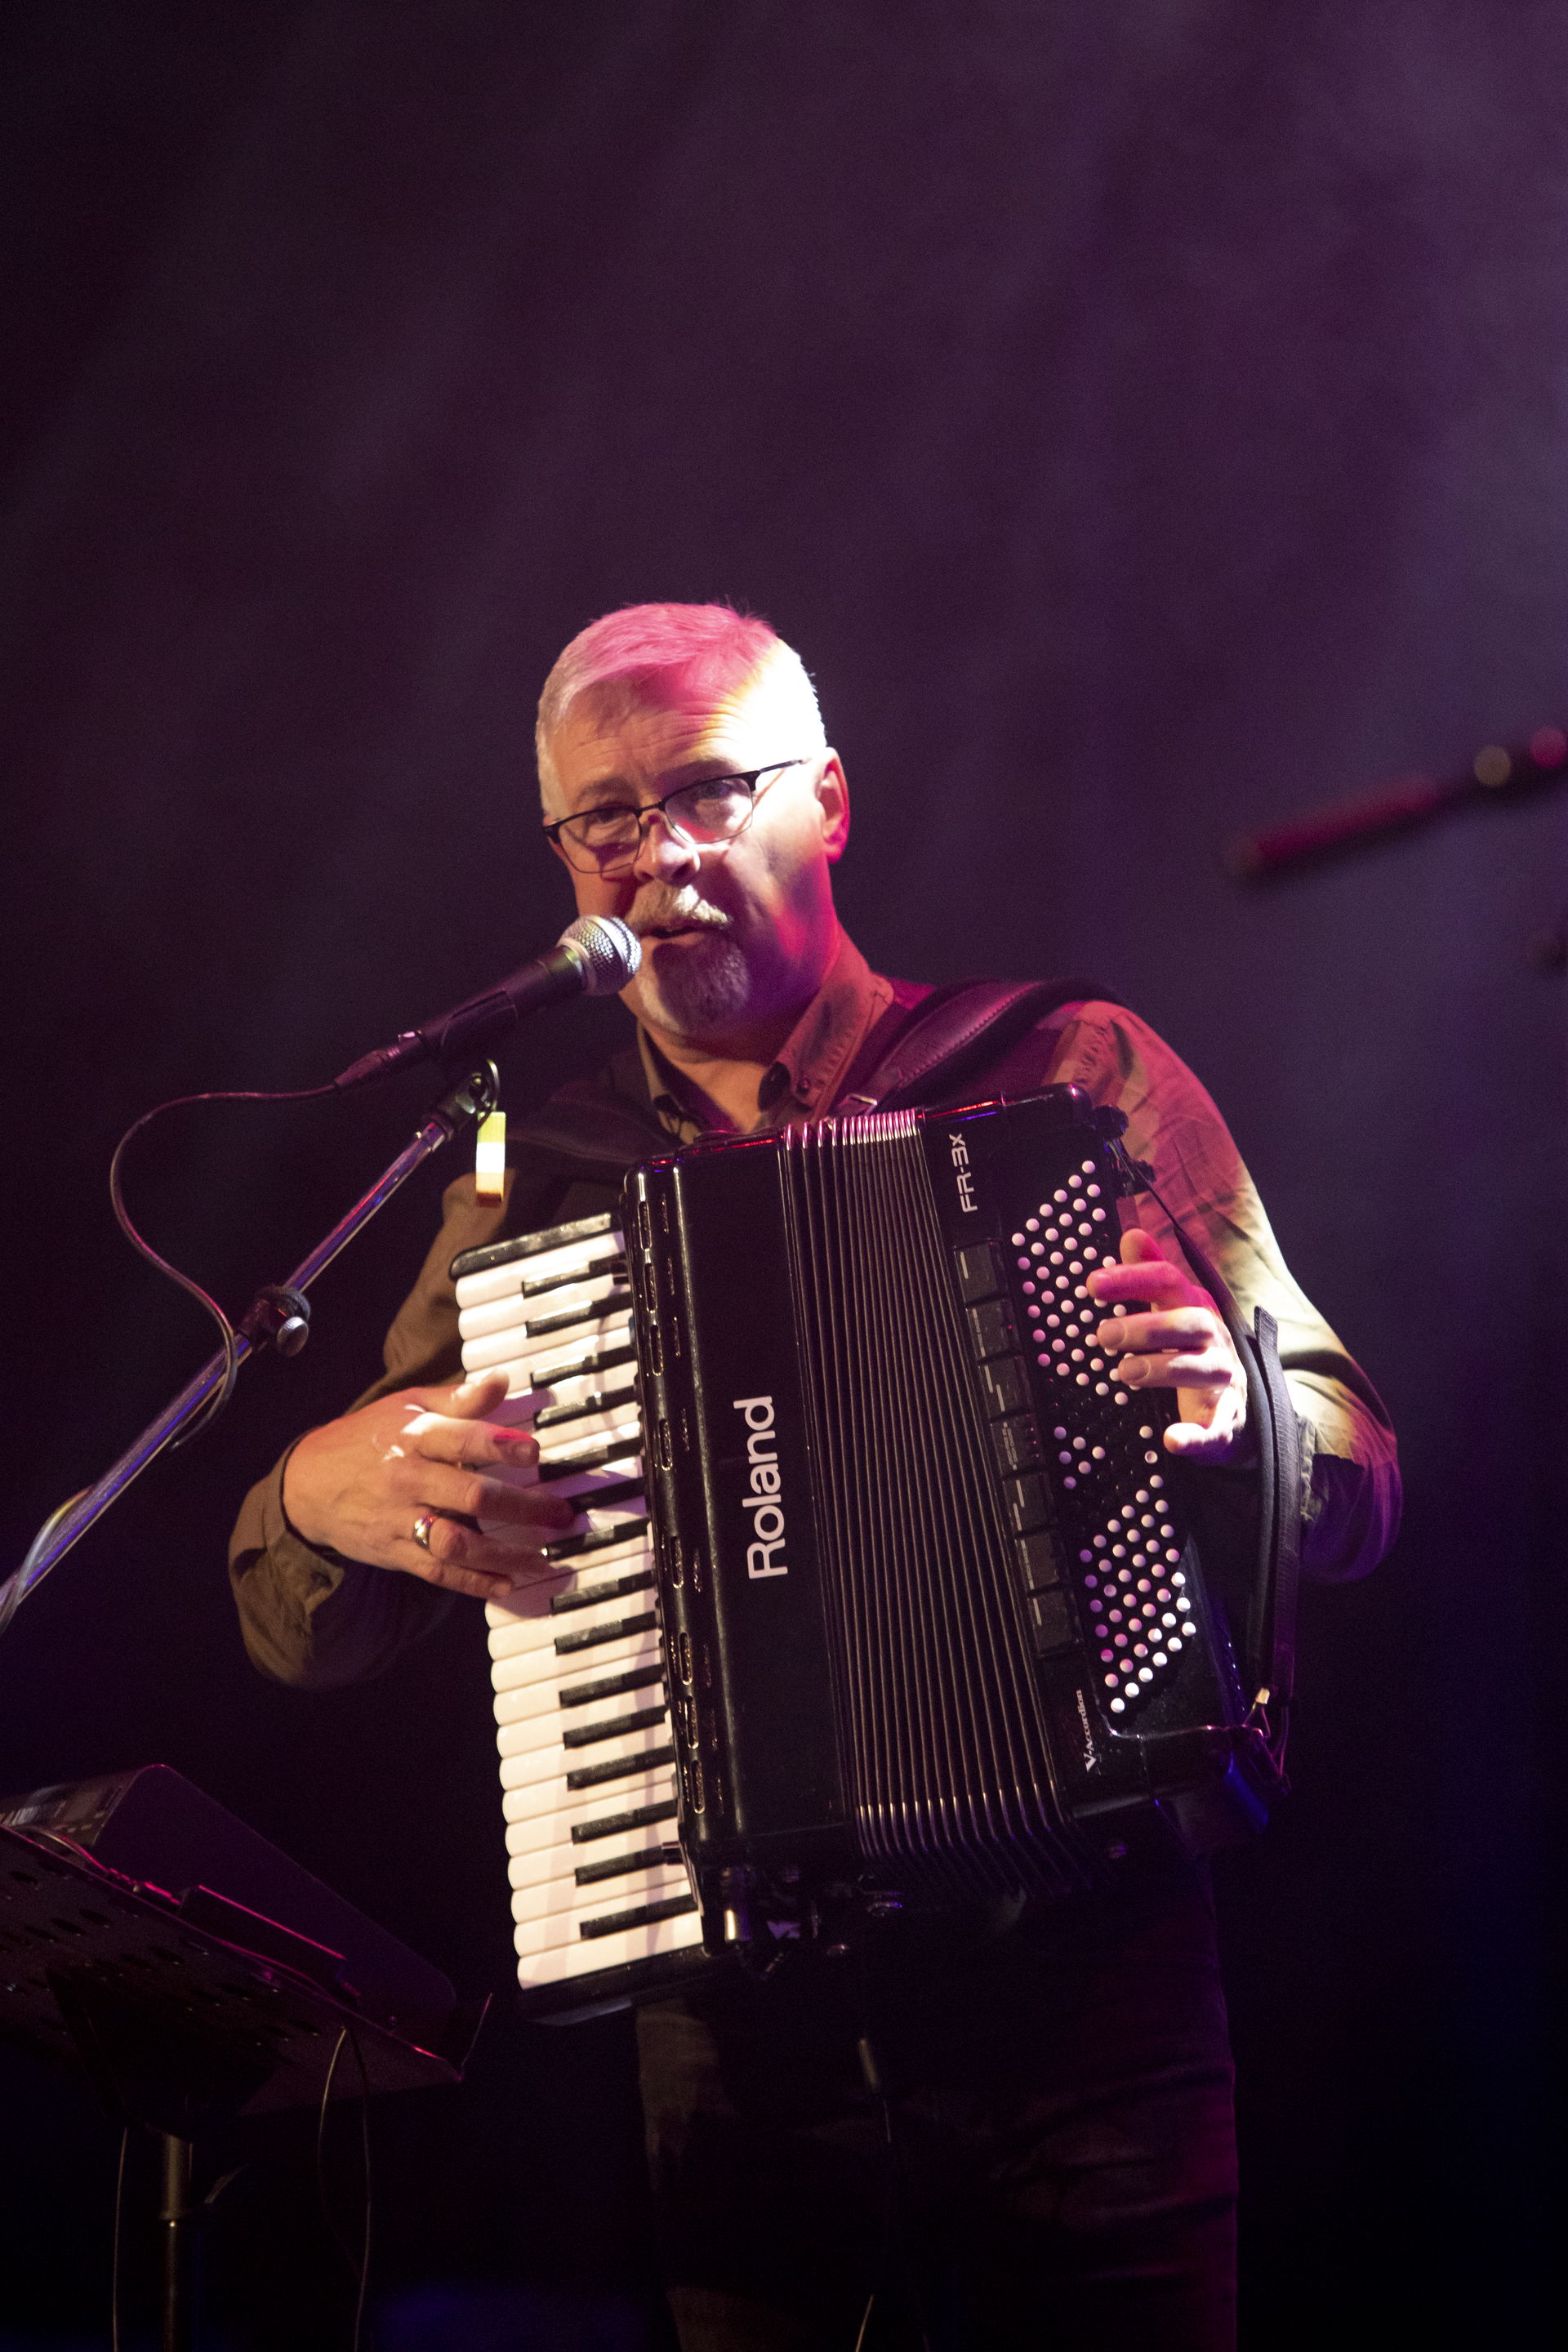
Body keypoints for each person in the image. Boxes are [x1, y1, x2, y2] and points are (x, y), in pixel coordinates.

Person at [230, 604, 1399, 2350]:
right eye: (603, 820)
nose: (656, 854)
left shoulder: (1069, 1068)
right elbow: (320, 1620)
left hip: (1087, 1993)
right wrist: (314, 1495)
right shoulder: (528, 1173)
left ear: (829, 803)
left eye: (705, 790)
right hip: (732, 2058)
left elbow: (1363, 1473)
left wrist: (1246, 1408)